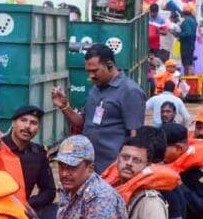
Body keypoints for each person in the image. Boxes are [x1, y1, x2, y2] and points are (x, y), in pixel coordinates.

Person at [51, 43, 146, 173]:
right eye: (88, 71)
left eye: (95, 71)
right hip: (89, 167)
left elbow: (136, 137)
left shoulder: (130, 91)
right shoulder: (96, 88)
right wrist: (64, 106)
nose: (91, 76)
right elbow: (81, 123)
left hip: (113, 170)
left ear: (110, 65)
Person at [1, 105, 56, 211]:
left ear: (38, 128)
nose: (27, 126)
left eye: (33, 123)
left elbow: (49, 191)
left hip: (22, 210)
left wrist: (27, 204)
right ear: (13, 123)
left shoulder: (38, 154)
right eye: (23, 120)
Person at [179, 5, 198, 75]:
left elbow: (188, 32)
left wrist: (179, 34)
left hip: (185, 46)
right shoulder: (193, 21)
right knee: (190, 63)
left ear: (183, 13)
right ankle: (191, 77)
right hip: (191, 45)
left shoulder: (185, 22)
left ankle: (187, 79)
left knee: (186, 64)